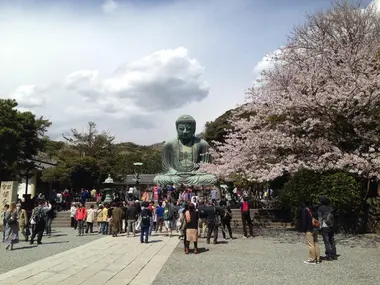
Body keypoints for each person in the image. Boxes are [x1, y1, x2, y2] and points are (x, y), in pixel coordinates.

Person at [318, 196, 337, 261]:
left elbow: (320, 218)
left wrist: (319, 227)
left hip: (325, 226)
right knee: (332, 240)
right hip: (331, 226)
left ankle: (328, 255)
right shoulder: (331, 208)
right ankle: (334, 255)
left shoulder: (320, 208)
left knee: (327, 241)